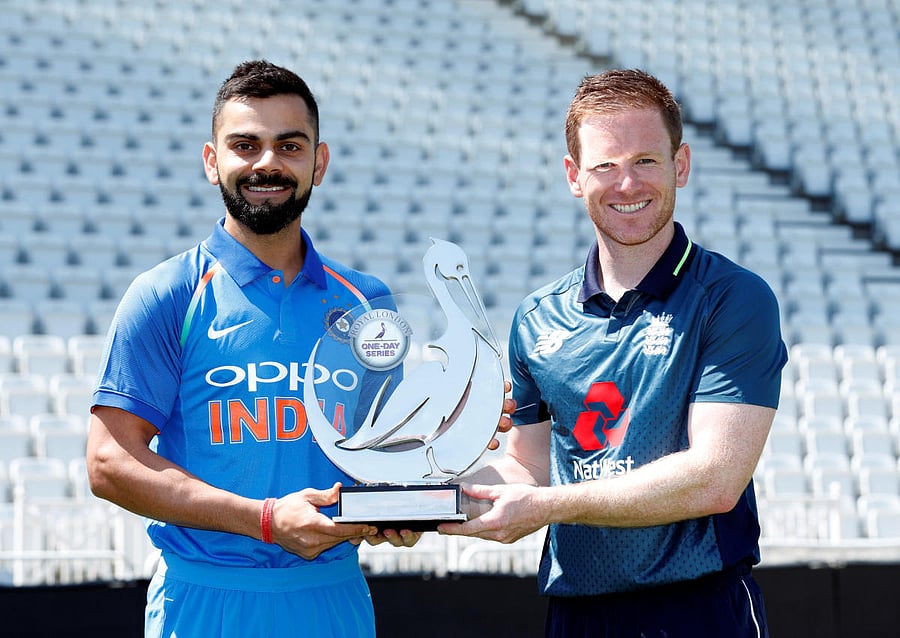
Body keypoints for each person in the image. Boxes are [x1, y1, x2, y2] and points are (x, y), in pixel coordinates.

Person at [86, 60, 432, 638]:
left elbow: (377, 457)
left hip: (333, 599)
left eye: (289, 146)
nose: (267, 163)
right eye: (245, 144)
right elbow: (109, 464)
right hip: (205, 602)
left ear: (318, 163)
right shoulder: (166, 294)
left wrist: (403, 503)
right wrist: (265, 521)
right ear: (211, 160)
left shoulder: (367, 303)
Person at [439, 69, 788, 638]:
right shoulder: (537, 317)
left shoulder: (731, 297)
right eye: (605, 165)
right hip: (577, 613)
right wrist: (422, 498)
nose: (626, 183)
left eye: (646, 161)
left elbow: (715, 479)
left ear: (681, 164)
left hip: (698, 609)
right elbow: (527, 466)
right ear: (575, 176)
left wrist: (549, 506)